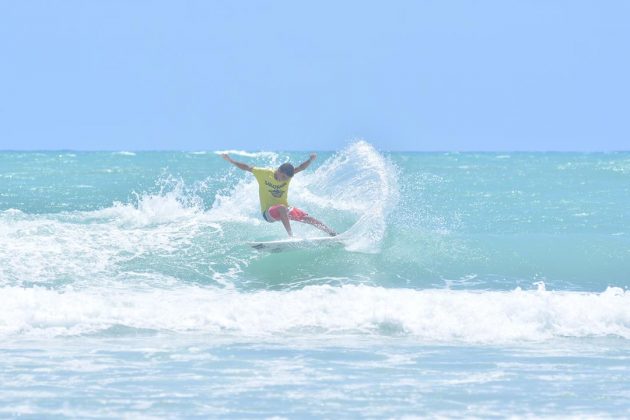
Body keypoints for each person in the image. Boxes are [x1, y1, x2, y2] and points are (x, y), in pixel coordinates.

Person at [221, 152, 337, 237]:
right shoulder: (264, 173)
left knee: (307, 218)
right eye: (283, 177)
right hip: (268, 213)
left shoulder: (287, 177)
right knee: (282, 208)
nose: (284, 180)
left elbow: (301, 168)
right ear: (279, 171)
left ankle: (332, 233)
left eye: (286, 179)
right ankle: (291, 237)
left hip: (284, 210)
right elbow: (247, 167)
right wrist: (230, 160)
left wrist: (311, 160)